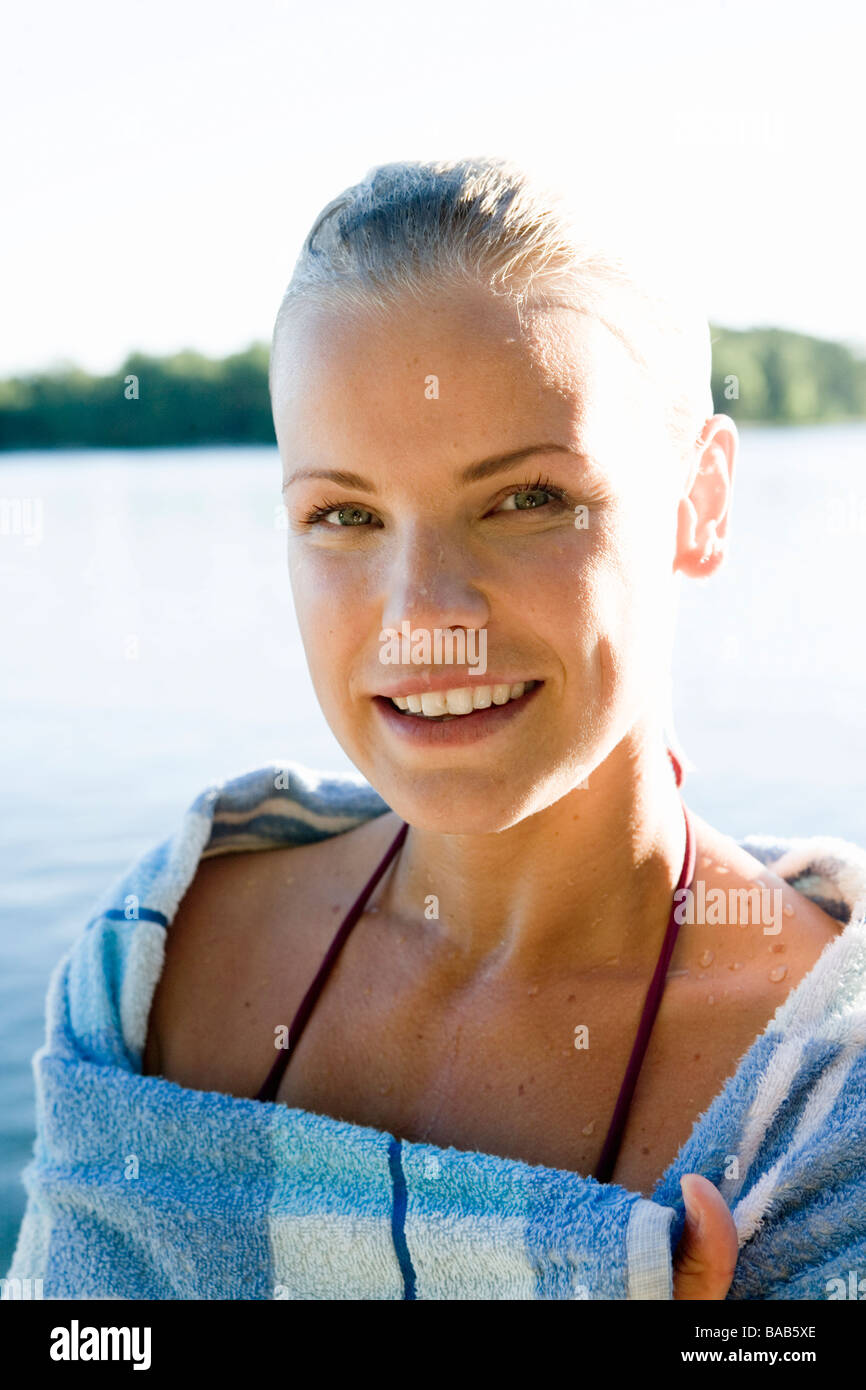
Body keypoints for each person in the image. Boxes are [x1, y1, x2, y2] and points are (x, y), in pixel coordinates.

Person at [10, 157, 860, 1302]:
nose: (423, 620)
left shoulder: (819, 1093)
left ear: (697, 502)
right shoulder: (156, 969)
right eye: (344, 514)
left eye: (525, 501)